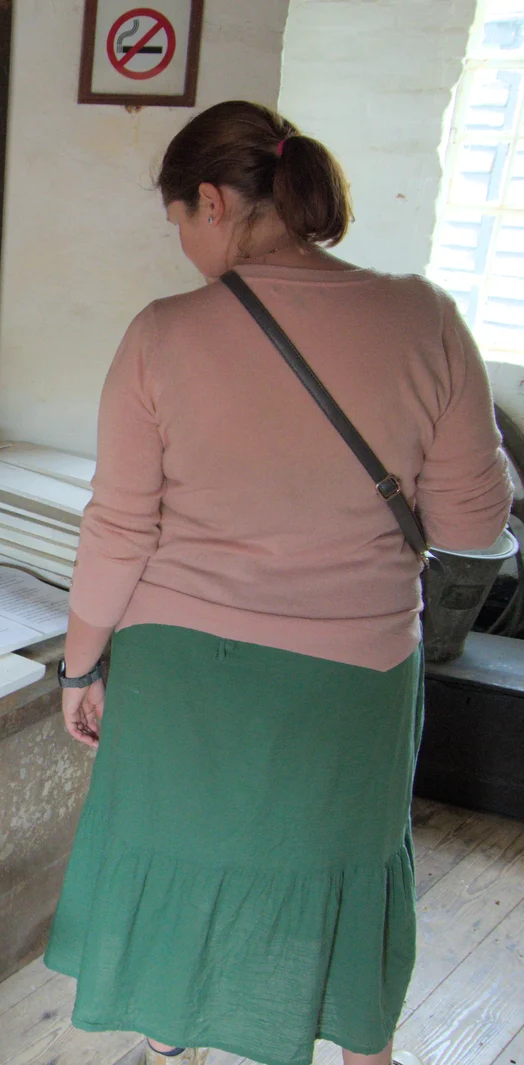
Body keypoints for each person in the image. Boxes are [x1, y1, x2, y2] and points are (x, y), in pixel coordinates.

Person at [43, 100, 512, 1065]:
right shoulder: (425, 316)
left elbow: (120, 528)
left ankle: (176, 1034)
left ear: (213, 202)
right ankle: (359, 1048)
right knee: (339, 867)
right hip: (351, 673)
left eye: (179, 219)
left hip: (180, 671)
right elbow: (474, 528)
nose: (182, 242)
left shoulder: (162, 335)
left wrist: (79, 668)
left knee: (185, 863)